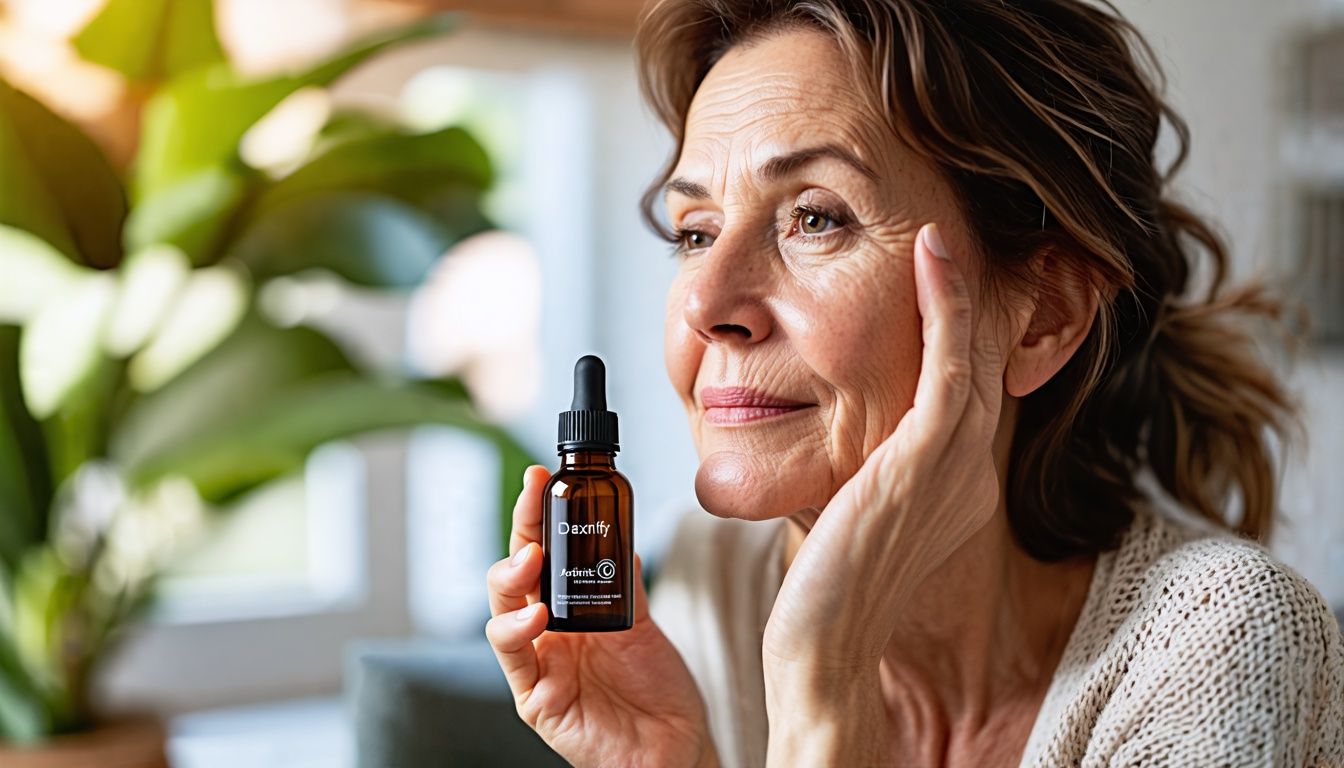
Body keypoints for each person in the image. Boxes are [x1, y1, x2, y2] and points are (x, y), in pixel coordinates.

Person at [485, 1, 1344, 765]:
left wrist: (828, 682)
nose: (706, 303)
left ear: (1043, 314)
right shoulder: (722, 577)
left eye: (815, 216)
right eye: (697, 231)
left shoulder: (1222, 642)